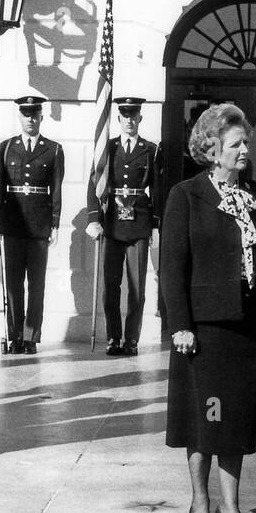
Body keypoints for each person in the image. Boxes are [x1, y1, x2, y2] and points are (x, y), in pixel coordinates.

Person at [162, 104, 256, 513]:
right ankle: (199, 501)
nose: (245, 149)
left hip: (247, 328)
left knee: (238, 421)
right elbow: (172, 266)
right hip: (204, 330)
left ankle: (231, 503)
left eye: (246, 142)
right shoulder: (186, 195)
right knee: (203, 420)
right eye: (235, 144)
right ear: (211, 149)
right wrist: (181, 325)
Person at [86, 97, 161, 356]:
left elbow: (158, 189)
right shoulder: (108, 148)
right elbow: (94, 182)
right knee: (111, 287)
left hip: (139, 223)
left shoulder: (151, 149)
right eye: (125, 115)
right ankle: (113, 338)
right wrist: (93, 218)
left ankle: (132, 340)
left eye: (134, 115)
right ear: (118, 119)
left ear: (140, 118)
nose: (130, 120)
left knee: (137, 289)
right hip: (112, 224)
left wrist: (155, 225)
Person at [0, 92, 64, 355]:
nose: (30, 119)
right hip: (12, 224)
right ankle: (14, 336)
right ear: (20, 117)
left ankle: (31, 336)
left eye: (35, 114)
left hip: (39, 225)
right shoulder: (7, 147)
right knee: (13, 283)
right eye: (26, 114)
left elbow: (56, 189)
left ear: (41, 117)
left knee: (37, 283)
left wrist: (55, 223)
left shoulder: (54, 149)